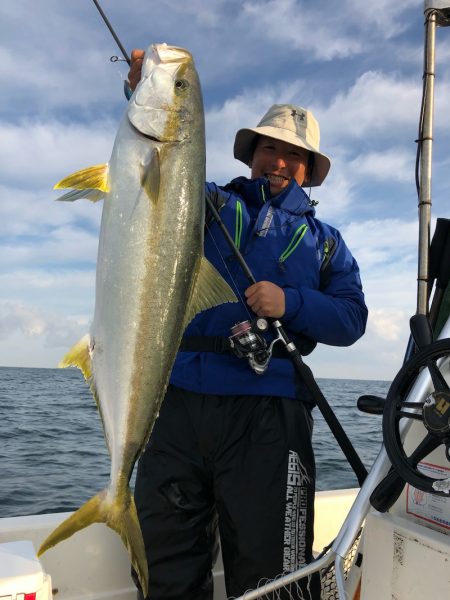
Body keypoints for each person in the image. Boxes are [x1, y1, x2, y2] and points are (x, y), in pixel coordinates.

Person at [127, 50, 368, 600]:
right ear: (251, 155)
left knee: (270, 576)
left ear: (309, 169)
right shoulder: (206, 204)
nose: (278, 161)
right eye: (269, 148)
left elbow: (352, 318)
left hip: (269, 416)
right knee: (167, 562)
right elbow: (163, 169)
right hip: (177, 403)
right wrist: (148, 98)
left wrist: (292, 302)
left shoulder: (327, 241)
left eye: (293, 155)